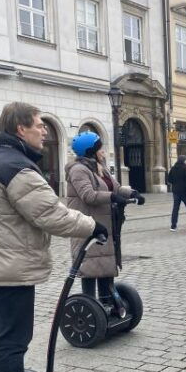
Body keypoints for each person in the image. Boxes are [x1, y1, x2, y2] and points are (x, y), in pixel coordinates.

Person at [0, 102, 102, 372]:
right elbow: (51, 215)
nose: (43, 130)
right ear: (20, 129)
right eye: (38, 125)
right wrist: (92, 225)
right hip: (11, 268)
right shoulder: (17, 167)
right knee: (12, 342)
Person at [65, 131, 145, 308]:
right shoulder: (78, 170)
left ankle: (107, 305)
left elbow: (115, 188)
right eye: (100, 148)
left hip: (105, 225)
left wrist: (132, 193)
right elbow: (88, 195)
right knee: (90, 268)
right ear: (90, 151)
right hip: (88, 226)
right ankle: (91, 307)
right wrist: (112, 197)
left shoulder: (100, 168)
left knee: (104, 267)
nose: (103, 151)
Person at [169, 154, 186, 232]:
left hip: (175, 191)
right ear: (183, 160)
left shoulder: (173, 168)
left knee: (175, 208)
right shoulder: (185, 168)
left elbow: (169, 179)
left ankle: (173, 226)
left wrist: (175, 183)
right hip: (184, 191)